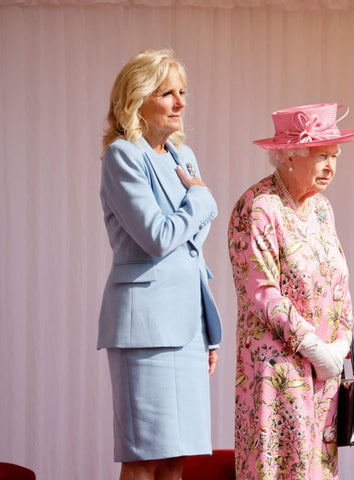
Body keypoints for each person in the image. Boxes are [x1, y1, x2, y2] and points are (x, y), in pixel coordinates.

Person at [97, 49, 222, 480]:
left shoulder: (183, 158)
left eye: (182, 92)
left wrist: (208, 331)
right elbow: (157, 238)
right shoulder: (123, 156)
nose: (180, 102)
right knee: (143, 455)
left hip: (188, 327)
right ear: (137, 99)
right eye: (167, 93)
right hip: (145, 330)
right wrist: (202, 199)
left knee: (175, 457)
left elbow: (191, 248)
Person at [228, 103, 354, 479]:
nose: (330, 166)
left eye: (334, 156)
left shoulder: (322, 209)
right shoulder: (257, 207)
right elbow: (261, 291)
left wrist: (339, 345)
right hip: (278, 370)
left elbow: (340, 281)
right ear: (290, 156)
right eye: (322, 155)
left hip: (326, 373)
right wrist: (313, 347)